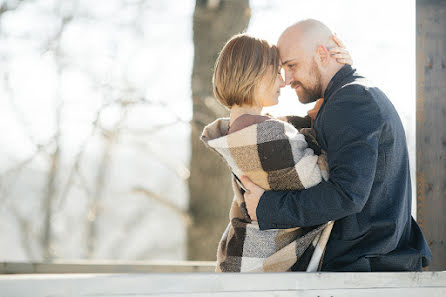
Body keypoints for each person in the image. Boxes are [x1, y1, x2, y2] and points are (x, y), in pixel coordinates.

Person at [241, 19, 432, 272]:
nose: (286, 80)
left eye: (292, 66)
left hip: (363, 273)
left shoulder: (351, 100)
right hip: (367, 267)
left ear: (322, 54)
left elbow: (347, 194)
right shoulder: (349, 96)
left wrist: (268, 208)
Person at [201, 33, 351, 272]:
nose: (283, 82)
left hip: (244, 261)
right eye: (276, 73)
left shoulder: (239, 129)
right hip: (259, 269)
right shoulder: (265, 136)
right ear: (254, 74)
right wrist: (337, 91)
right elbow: (324, 181)